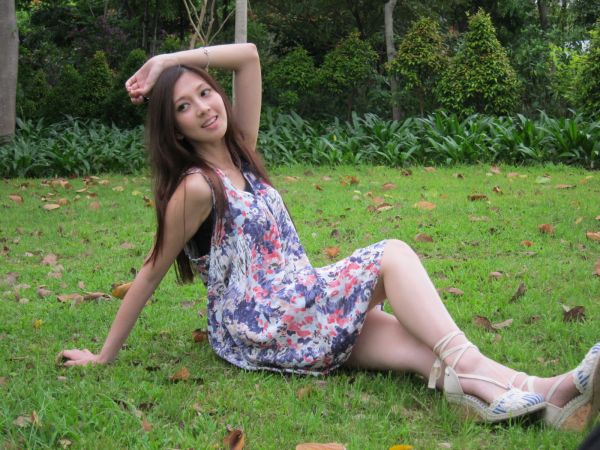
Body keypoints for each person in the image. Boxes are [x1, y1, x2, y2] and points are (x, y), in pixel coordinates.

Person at [61, 43, 599, 430]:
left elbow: (248, 57)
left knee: (418, 348)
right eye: (184, 106)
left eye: (205, 92)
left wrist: (169, 60)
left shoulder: (241, 151)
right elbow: (151, 270)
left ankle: (545, 397)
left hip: (298, 307)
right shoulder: (198, 186)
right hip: (263, 322)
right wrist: (104, 357)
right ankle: (489, 377)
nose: (204, 108)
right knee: (391, 254)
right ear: (174, 128)